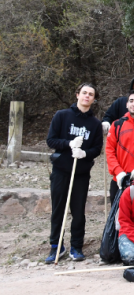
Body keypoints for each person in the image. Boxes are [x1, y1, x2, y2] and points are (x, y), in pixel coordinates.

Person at [45, 83, 103, 264]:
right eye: (84, 93)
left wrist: (85, 153)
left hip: (81, 174)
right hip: (61, 171)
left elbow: (97, 149)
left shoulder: (95, 124)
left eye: (91, 94)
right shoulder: (62, 116)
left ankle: (76, 246)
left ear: (94, 99)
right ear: (77, 94)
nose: (87, 96)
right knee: (58, 210)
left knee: (78, 212)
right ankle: (56, 246)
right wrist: (68, 144)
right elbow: (51, 140)